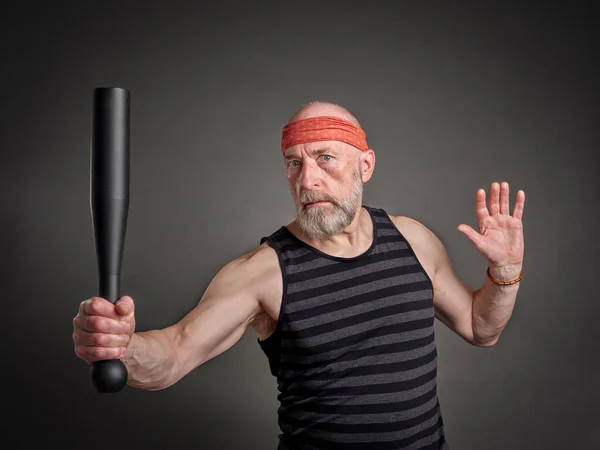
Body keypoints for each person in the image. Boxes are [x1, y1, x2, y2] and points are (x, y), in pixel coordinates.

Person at [72, 101, 526, 449]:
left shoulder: (413, 240)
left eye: (325, 158)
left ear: (365, 165)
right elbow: (172, 357)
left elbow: (480, 328)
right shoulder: (263, 272)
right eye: (294, 162)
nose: (306, 179)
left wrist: (505, 271)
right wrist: (124, 347)